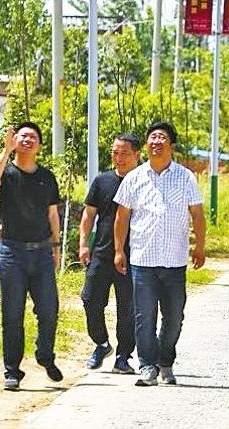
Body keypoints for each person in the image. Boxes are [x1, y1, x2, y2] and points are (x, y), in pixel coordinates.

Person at [113, 121, 206, 387]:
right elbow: (122, 216)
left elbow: (197, 214)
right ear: (146, 144)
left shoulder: (185, 177)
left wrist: (200, 246)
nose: (156, 142)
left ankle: (165, 360)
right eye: (152, 137)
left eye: (162, 137)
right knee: (144, 317)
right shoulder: (134, 177)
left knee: (174, 317)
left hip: (175, 261)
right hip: (142, 260)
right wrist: (118, 250)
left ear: (171, 145)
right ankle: (147, 366)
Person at [0, 122, 63, 391]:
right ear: (15, 140)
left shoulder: (47, 177)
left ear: (39, 145)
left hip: (41, 252)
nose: (28, 140)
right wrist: (5, 152)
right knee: (12, 315)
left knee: (49, 310)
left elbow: (53, 214)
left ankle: (45, 355)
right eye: (23, 136)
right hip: (12, 253)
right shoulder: (6, 173)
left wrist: (56, 247)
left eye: (33, 137)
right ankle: (12, 371)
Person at [78, 133, 142, 374]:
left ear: (137, 155)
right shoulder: (102, 180)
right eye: (115, 153)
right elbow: (88, 214)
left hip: (134, 255)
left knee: (127, 308)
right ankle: (101, 343)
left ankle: (123, 356)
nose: (119, 158)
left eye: (125, 153)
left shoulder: (143, 181)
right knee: (90, 298)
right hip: (102, 253)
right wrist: (84, 244)